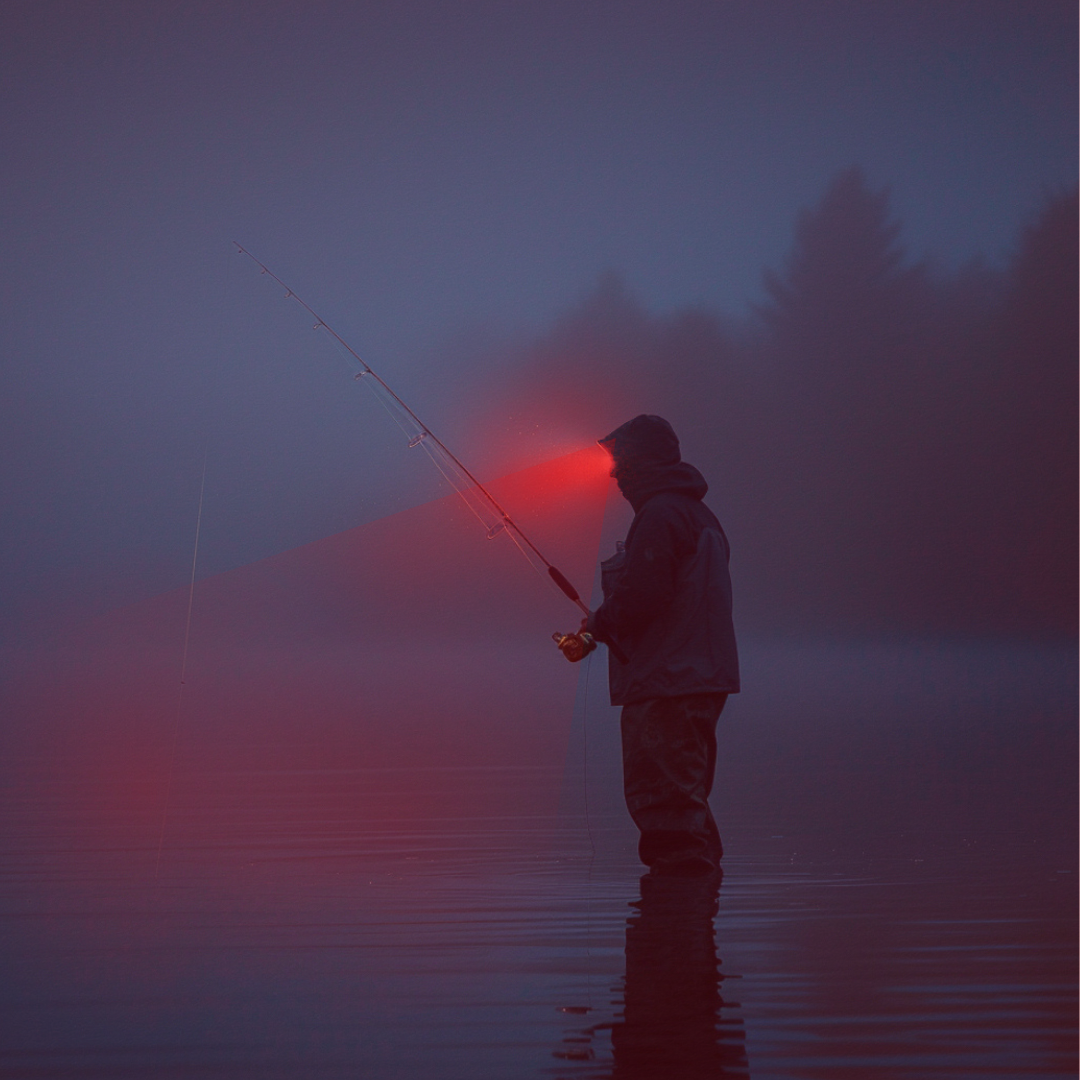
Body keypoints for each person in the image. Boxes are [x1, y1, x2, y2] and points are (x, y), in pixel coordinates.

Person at [580, 415, 739, 877]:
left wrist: (597, 625)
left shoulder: (662, 515)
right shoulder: (697, 515)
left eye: (621, 462)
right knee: (684, 801)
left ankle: (675, 932)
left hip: (670, 682)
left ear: (644, 463)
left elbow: (646, 594)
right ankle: (691, 926)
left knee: (667, 809)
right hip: (697, 679)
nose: (615, 475)